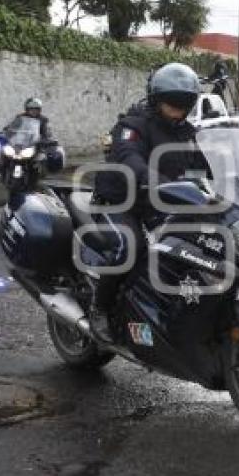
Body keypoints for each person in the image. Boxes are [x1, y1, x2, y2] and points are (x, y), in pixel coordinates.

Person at [89, 63, 202, 342]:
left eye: (183, 104)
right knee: (130, 247)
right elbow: (129, 157)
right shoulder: (133, 125)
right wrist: (154, 179)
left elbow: (203, 164)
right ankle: (99, 309)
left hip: (161, 204)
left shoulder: (187, 132)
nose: (177, 110)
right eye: (171, 103)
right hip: (120, 202)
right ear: (155, 99)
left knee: (197, 247)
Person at [4, 98, 64, 171]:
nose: (34, 111)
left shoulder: (43, 120)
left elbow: (46, 132)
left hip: (35, 142)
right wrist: (7, 130)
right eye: (31, 109)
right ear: (27, 109)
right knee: (5, 152)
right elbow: (12, 127)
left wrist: (46, 138)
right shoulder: (20, 117)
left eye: (36, 109)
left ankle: (39, 169)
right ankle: (3, 169)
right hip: (21, 142)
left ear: (39, 110)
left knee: (42, 155)